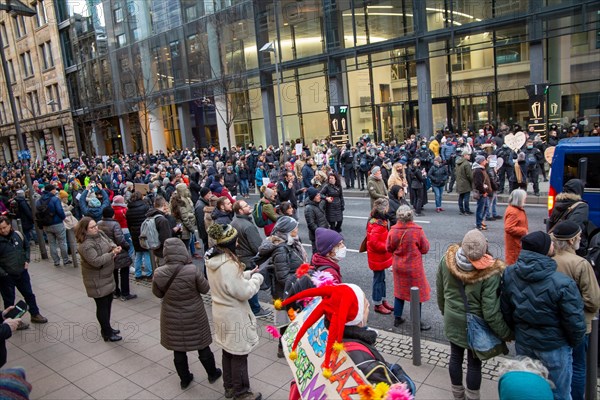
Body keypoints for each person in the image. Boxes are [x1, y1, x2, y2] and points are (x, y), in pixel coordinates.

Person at [501, 231, 586, 400]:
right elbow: (575, 322)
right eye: (551, 243)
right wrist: (571, 342)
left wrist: (517, 331)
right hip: (554, 346)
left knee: (529, 389)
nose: (554, 245)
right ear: (544, 249)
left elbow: (506, 309)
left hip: (524, 341)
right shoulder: (563, 283)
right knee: (560, 393)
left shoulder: (510, 273)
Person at [437, 229, 512, 400]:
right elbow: (490, 311)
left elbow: (440, 293)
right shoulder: (489, 272)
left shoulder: (445, 261)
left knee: (455, 357)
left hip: (452, 318)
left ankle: (458, 396)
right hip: (475, 326)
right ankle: (472, 397)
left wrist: (445, 313)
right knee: (474, 363)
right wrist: (506, 333)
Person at [152, 238, 222, 390]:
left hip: (171, 315)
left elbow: (157, 294)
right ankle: (212, 373)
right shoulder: (191, 270)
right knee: (202, 345)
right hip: (194, 313)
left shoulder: (159, 272)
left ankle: (185, 379)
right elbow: (205, 289)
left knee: (178, 349)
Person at [205, 224, 263, 400]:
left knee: (228, 351)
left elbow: (227, 282)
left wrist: (246, 274)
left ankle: (229, 387)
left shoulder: (213, 259)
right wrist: (256, 278)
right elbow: (243, 292)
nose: (237, 243)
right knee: (239, 354)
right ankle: (242, 392)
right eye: (235, 240)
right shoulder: (229, 264)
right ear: (229, 242)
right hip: (234, 315)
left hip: (220, 313)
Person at [550, 221, 600, 400]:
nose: (581, 238)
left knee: (559, 367)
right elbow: (593, 301)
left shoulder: (549, 259)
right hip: (578, 324)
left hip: (554, 323)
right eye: (578, 236)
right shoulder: (580, 264)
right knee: (578, 366)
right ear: (571, 241)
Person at [256, 216, 307, 357]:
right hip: (284, 292)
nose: (297, 229)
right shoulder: (281, 249)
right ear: (288, 231)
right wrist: (301, 281)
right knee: (287, 321)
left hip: (291, 289)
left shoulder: (292, 243)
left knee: (293, 319)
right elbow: (282, 277)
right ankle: (283, 348)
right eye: (294, 227)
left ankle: (290, 345)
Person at [75, 217, 123, 342]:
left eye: (95, 225)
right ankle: (106, 332)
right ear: (85, 230)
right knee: (102, 306)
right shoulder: (86, 245)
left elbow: (110, 241)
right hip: (96, 279)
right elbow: (96, 261)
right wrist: (112, 254)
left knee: (108, 303)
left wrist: (113, 248)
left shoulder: (100, 233)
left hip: (106, 276)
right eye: (92, 227)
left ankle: (107, 328)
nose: (96, 228)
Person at [386, 205, 431, 330]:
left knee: (399, 292)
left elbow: (388, 248)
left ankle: (397, 318)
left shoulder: (393, 230)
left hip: (398, 266)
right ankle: (416, 322)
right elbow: (425, 248)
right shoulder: (417, 230)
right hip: (414, 267)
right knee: (417, 294)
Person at [0, 216, 48, 325]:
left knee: (29, 294)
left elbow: (26, 246)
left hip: (21, 272)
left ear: (9, 226)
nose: (3, 230)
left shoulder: (18, 235)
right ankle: (12, 321)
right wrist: (4, 273)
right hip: (6, 276)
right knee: (9, 299)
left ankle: (35, 314)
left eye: (4, 227)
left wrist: (26, 259)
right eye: (0, 229)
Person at [231, 200, 270, 317]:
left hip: (240, 257)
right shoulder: (247, 226)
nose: (249, 206)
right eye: (246, 206)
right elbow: (257, 246)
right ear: (240, 211)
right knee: (251, 285)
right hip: (249, 259)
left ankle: (249, 306)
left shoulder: (234, 222)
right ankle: (256, 309)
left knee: (244, 282)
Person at [98, 207, 137, 301]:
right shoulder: (115, 224)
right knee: (124, 271)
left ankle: (115, 291)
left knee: (113, 271)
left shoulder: (99, 224)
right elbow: (120, 239)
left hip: (107, 251)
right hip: (118, 250)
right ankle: (125, 293)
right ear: (113, 215)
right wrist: (127, 246)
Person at [547, 178, 590, 257]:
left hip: (558, 245)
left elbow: (550, 222)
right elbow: (575, 226)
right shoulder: (581, 206)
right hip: (573, 248)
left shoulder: (559, 203)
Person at [366, 199, 394, 315]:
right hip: (377, 257)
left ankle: (382, 300)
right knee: (378, 280)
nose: (389, 209)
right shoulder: (377, 224)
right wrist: (387, 246)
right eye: (387, 207)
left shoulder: (379, 220)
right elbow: (374, 243)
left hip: (379, 257)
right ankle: (378, 303)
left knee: (381, 279)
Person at [37, 184, 71, 266]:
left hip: (46, 224)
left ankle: (56, 261)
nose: (55, 190)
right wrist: (62, 218)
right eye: (54, 189)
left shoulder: (39, 200)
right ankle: (65, 259)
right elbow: (60, 211)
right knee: (62, 242)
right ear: (52, 190)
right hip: (57, 223)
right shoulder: (55, 199)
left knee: (52, 243)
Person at [125, 191, 153, 280]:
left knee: (138, 254)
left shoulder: (129, 210)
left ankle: (137, 274)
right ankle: (149, 273)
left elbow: (128, 224)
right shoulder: (145, 206)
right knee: (147, 253)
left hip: (134, 233)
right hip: (144, 232)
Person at [145, 196, 175, 266]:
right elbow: (165, 239)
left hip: (155, 249)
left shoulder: (150, 216)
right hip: (163, 253)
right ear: (164, 204)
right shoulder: (162, 220)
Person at [170, 183, 197, 253]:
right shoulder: (180, 202)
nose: (187, 191)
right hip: (184, 228)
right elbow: (185, 218)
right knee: (184, 250)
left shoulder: (182, 199)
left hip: (183, 227)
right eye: (186, 189)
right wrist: (192, 229)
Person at [503, 189, 528, 265]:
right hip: (514, 243)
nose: (525, 200)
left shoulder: (514, 209)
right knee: (513, 263)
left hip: (516, 242)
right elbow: (508, 228)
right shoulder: (514, 212)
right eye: (524, 198)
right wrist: (524, 231)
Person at [472, 155, 492, 231]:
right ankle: (478, 223)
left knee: (485, 207)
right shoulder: (478, 171)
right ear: (481, 162)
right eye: (484, 160)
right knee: (480, 208)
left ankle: (480, 221)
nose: (486, 162)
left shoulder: (481, 169)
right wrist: (483, 192)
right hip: (481, 192)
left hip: (484, 191)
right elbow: (478, 183)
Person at [455, 151, 473, 216]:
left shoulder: (457, 162)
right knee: (466, 198)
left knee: (461, 197)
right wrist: (472, 181)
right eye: (468, 155)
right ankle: (467, 210)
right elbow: (469, 175)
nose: (469, 156)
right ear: (465, 155)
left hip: (459, 182)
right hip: (466, 183)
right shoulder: (466, 163)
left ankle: (461, 210)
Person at [194, 187, 212, 252]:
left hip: (206, 231)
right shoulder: (200, 206)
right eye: (209, 193)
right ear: (205, 195)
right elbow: (201, 222)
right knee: (207, 248)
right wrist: (205, 233)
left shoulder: (204, 202)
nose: (211, 195)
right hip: (205, 232)